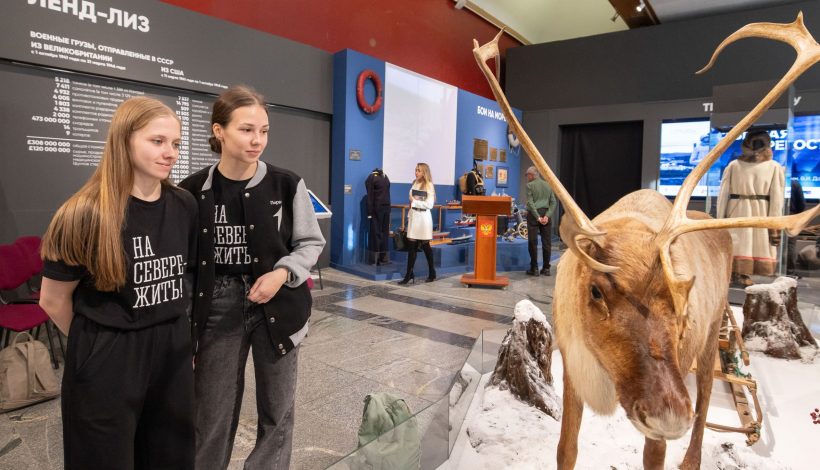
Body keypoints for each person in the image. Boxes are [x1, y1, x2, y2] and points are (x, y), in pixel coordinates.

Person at [38, 96, 197, 469]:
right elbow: (52, 300)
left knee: (171, 456)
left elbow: (182, 276)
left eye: (175, 143)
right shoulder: (84, 212)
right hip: (108, 352)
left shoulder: (184, 204)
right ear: (125, 140)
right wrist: (96, 346)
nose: (170, 152)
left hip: (171, 348)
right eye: (157, 141)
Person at [178, 85, 325, 470]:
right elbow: (185, 263)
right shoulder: (192, 191)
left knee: (278, 412)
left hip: (279, 304)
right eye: (246, 130)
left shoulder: (287, 184)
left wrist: (282, 273)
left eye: (264, 130)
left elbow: (310, 242)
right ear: (218, 131)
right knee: (211, 411)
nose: (257, 140)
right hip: (216, 307)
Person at [716, 130, 785, 286]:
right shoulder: (735, 166)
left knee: (746, 242)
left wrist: (773, 222)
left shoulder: (773, 167)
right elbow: (777, 198)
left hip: (746, 209)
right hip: (748, 210)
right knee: (741, 242)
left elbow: (776, 197)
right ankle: (737, 273)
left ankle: (741, 273)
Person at [399, 163, 436, 284]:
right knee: (412, 247)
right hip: (414, 217)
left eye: (419, 170)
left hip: (423, 218)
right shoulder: (414, 182)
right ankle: (409, 274)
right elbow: (411, 200)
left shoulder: (429, 185)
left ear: (424, 172)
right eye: (415, 170)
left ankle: (432, 271)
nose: (416, 172)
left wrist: (415, 202)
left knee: (425, 245)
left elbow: (429, 204)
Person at [525, 166, 557, 276]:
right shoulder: (548, 185)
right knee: (547, 242)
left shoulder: (529, 186)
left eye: (527, 175)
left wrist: (537, 217)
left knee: (533, 242)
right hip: (546, 214)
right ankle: (546, 268)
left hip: (534, 216)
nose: (527, 178)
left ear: (531, 175)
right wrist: (547, 216)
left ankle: (534, 269)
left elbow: (530, 203)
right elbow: (553, 202)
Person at [365, 168, 391, 265]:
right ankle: (380, 258)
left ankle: (377, 259)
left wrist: (369, 212)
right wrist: (369, 212)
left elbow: (370, 196)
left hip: (379, 208)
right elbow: (370, 195)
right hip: (384, 207)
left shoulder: (374, 177)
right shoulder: (383, 177)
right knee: (381, 233)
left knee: (379, 233)